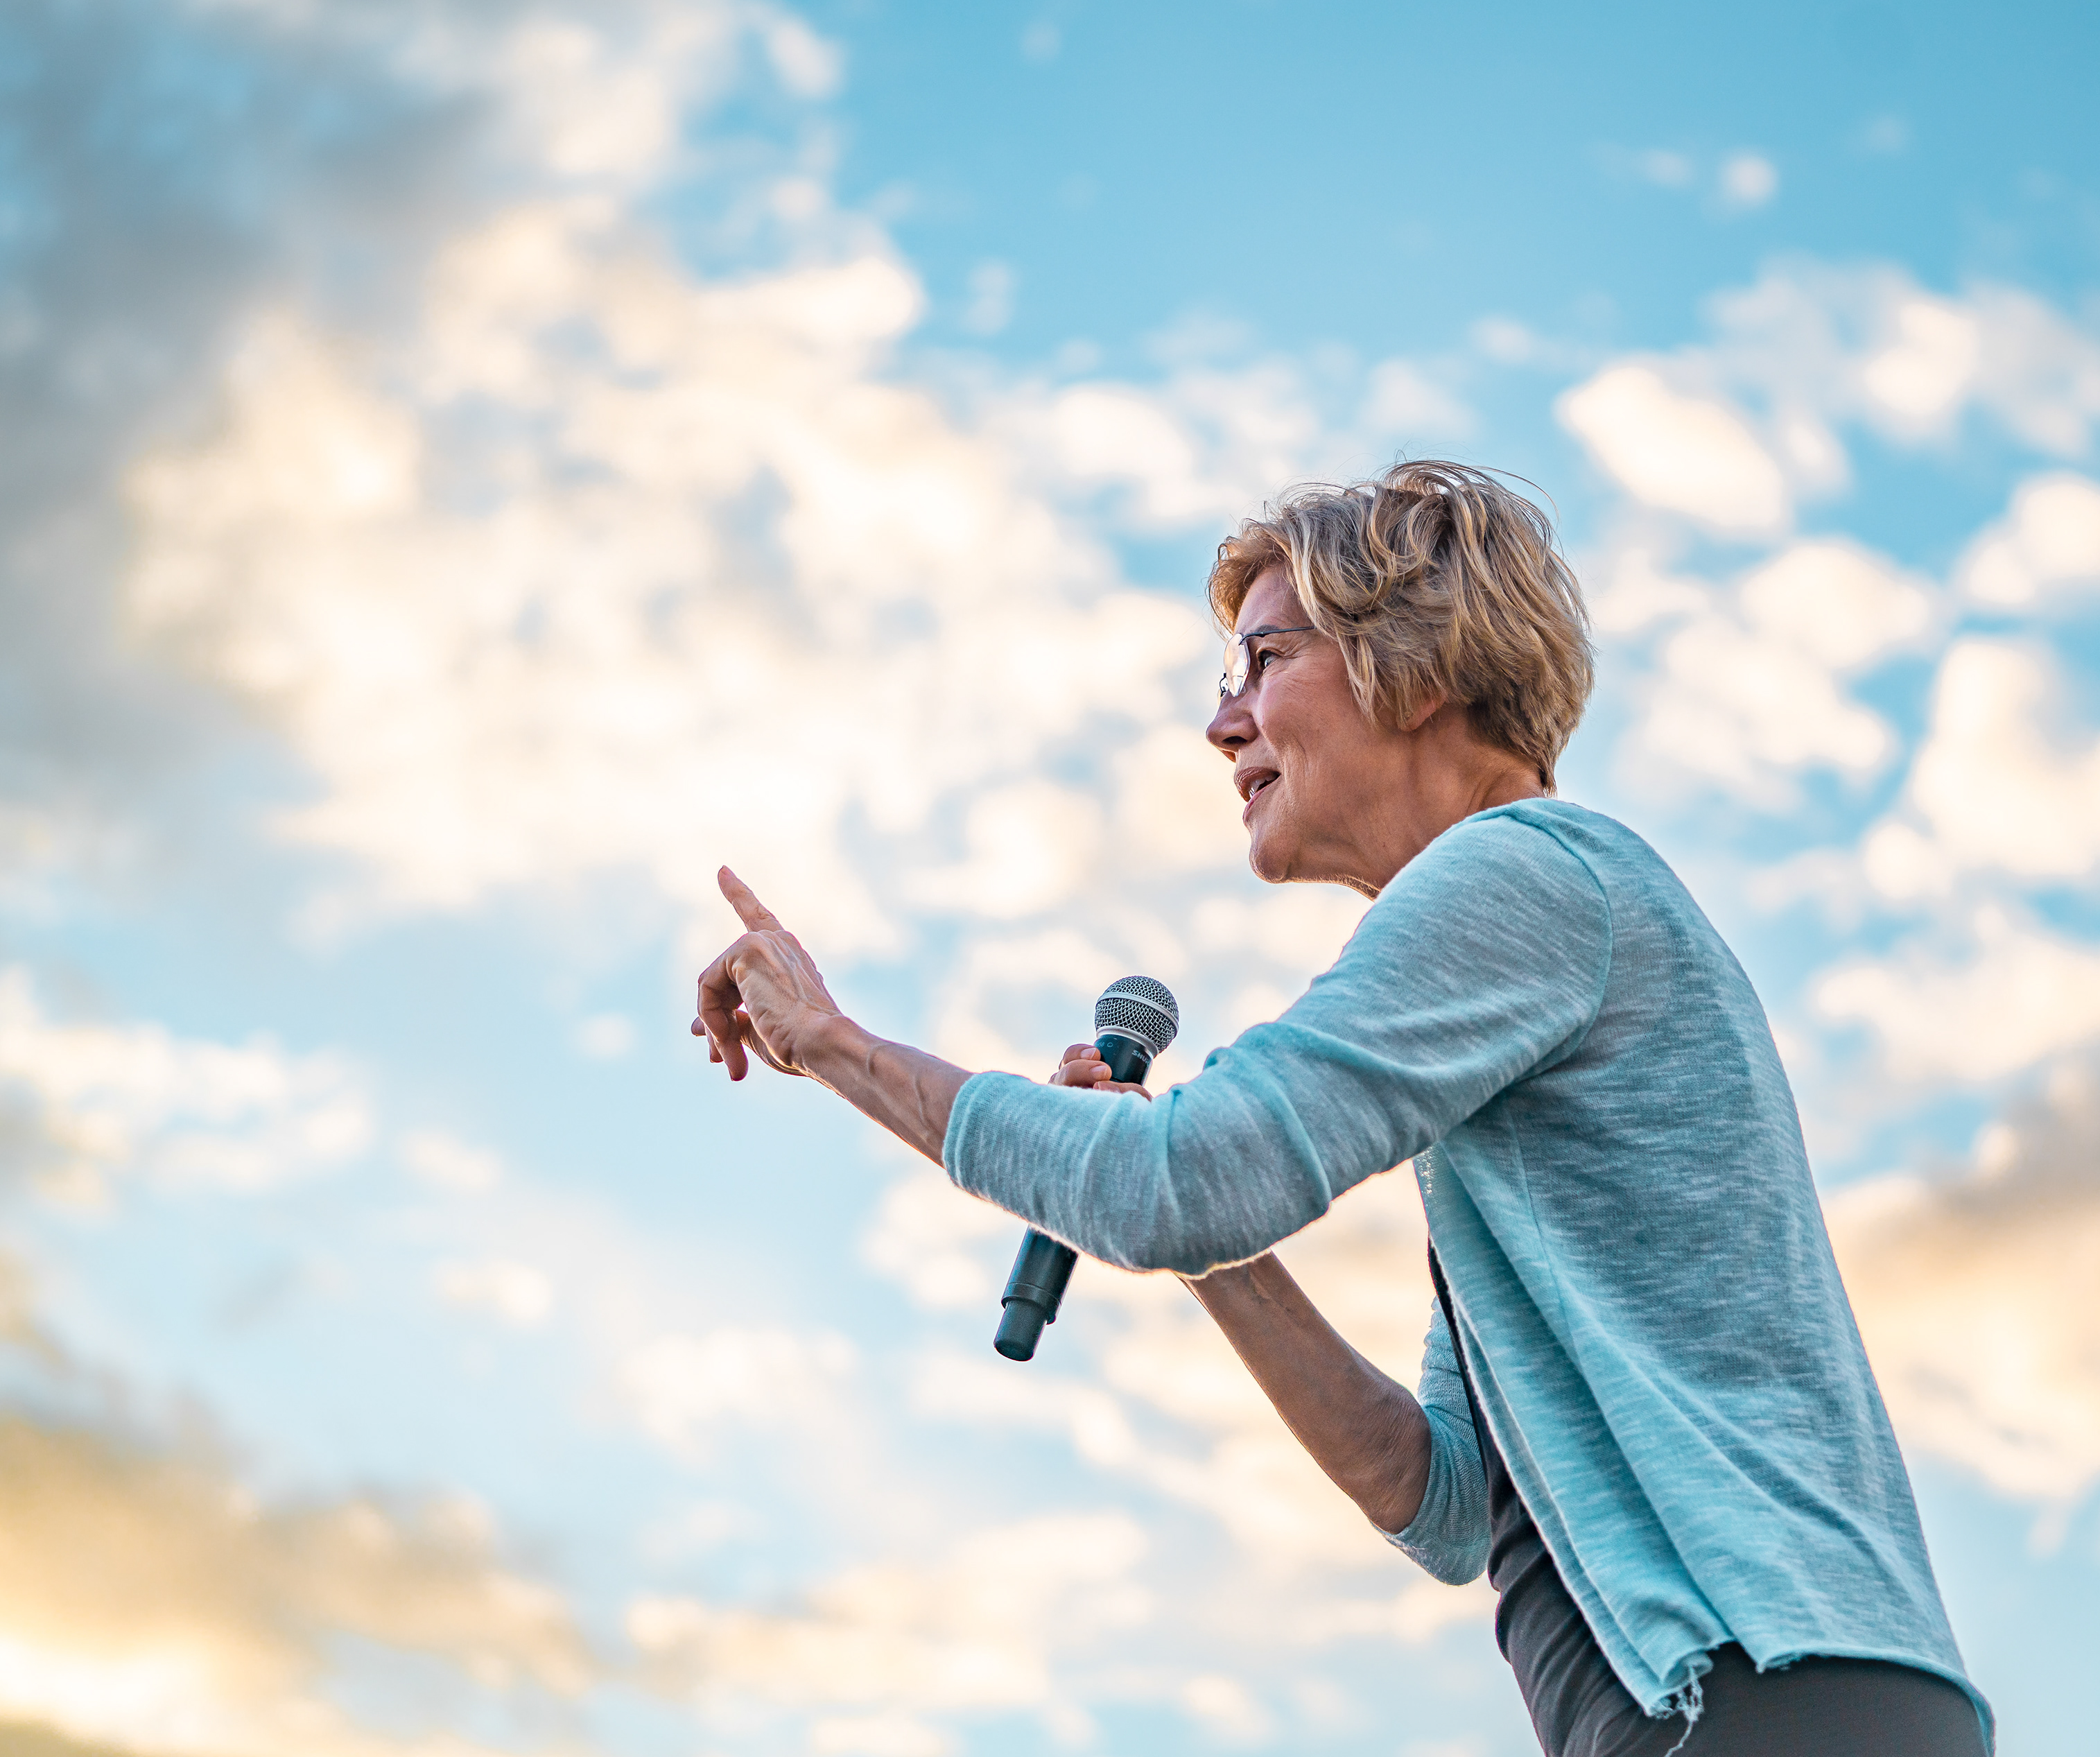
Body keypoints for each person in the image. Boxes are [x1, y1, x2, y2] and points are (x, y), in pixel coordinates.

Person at [691, 461, 1991, 1756]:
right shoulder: (1522, 975)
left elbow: (1180, 1181)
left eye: (1261, 661)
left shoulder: (1526, 875)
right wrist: (1219, 1262)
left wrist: (839, 1046)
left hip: (1762, 1694)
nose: (1224, 723)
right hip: (1760, 1705)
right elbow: (1445, 1497)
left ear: (1415, 665)